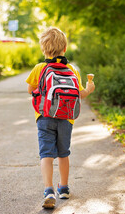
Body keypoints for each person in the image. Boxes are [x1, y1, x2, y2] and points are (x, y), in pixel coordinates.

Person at [26, 27, 95, 209]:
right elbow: (81, 94)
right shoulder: (71, 69)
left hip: (44, 117)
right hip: (66, 118)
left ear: (43, 49)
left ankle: (48, 190)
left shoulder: (39, 68)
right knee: (64, 154)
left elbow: (30, 90)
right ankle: (63, 188)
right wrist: (89, 89)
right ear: (64, 49)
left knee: (46, 154)